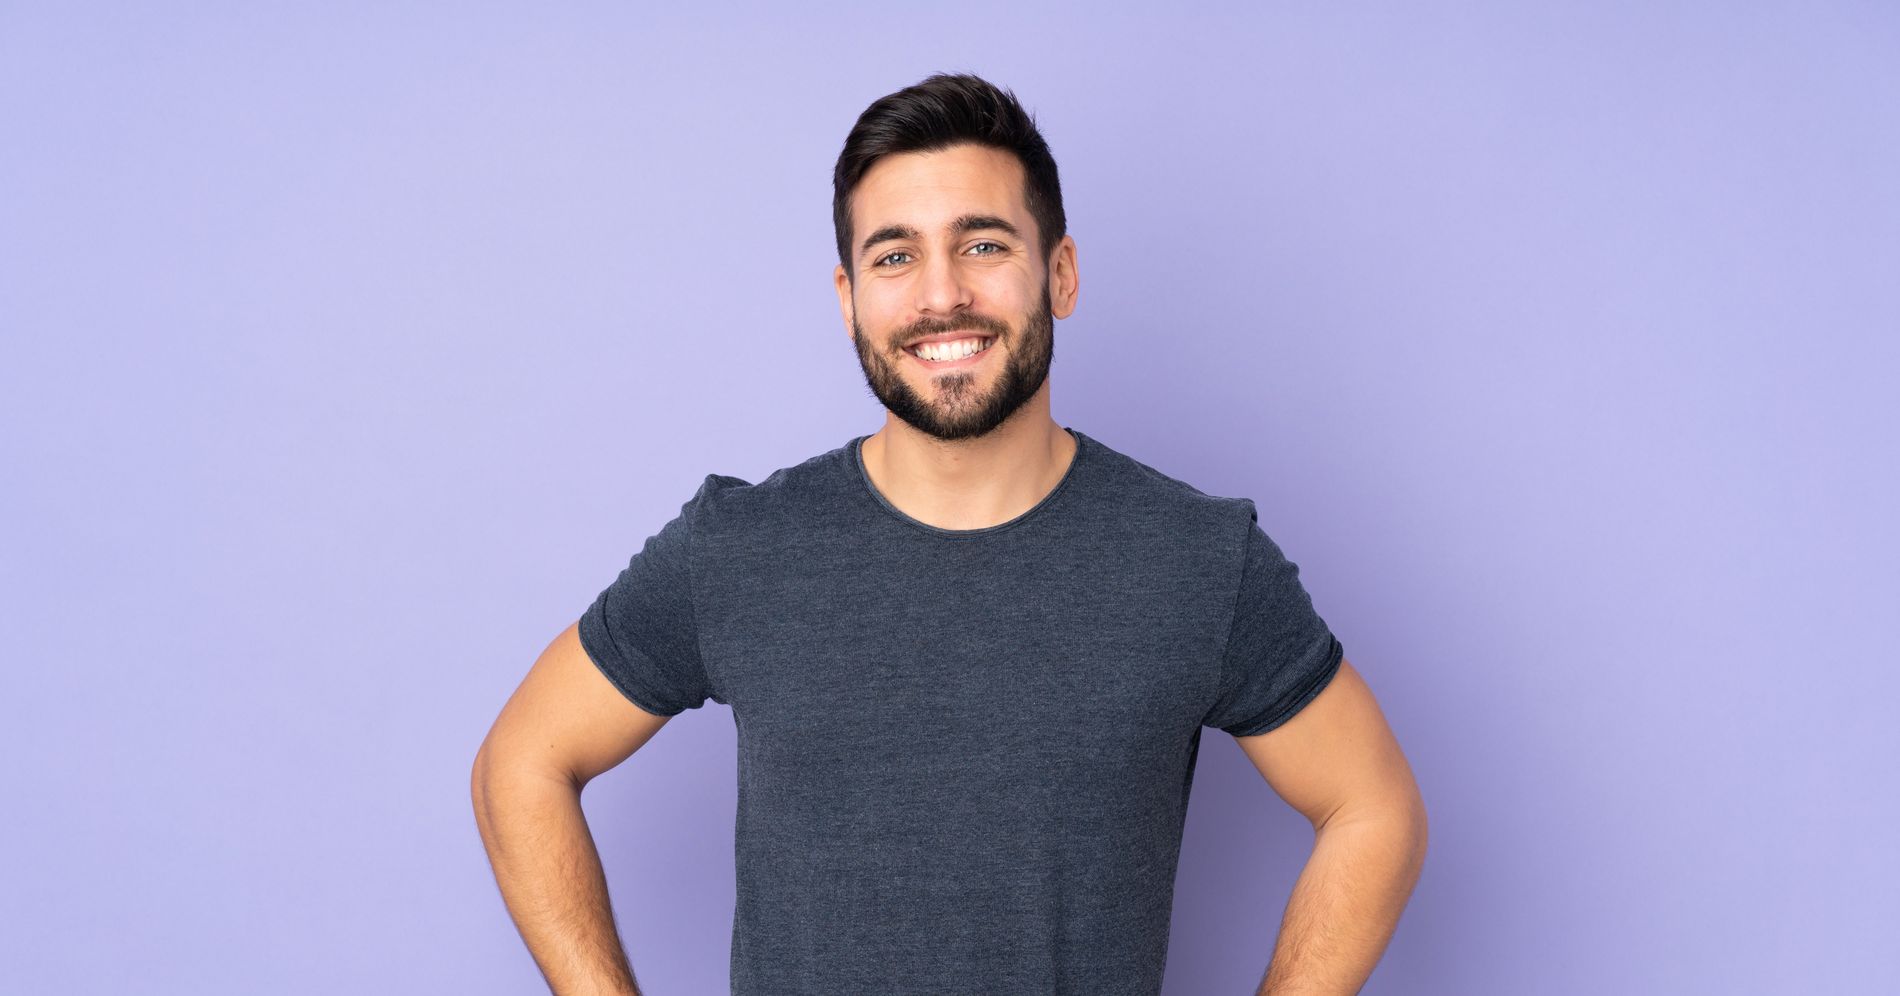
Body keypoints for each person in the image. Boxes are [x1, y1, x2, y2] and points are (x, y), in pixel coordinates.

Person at [472, 72, 1426, 996]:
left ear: (1061, 273)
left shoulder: (1196, 561)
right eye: (895, 255)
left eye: (983, 245)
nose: (941, 297)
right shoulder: (740, 550)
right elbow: (519, 764)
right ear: (848, 298)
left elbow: (1373, 807)